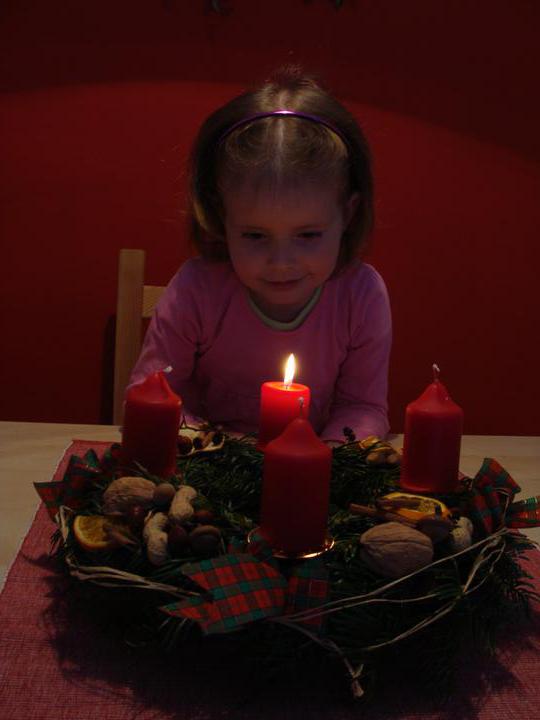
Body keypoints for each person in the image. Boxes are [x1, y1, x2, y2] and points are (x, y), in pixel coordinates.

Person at [129, 66, 392, 443]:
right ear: (221, 216)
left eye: (308, 235)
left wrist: (326, 454)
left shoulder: (360, 294)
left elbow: (362, 408)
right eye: (255, 235)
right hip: (208, 464)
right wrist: (223, 452)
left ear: (347, 215)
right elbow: (150, 397)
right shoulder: (197, 290)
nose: (281, 262)